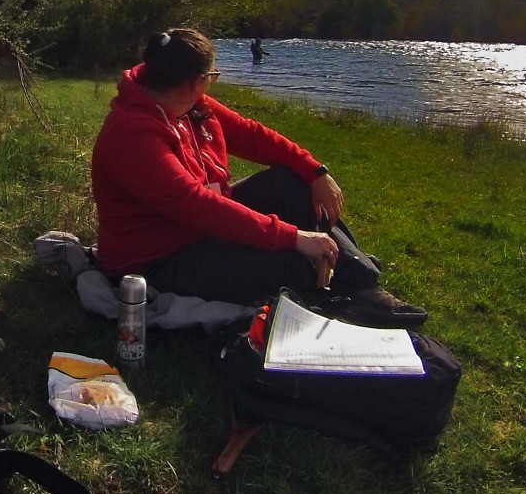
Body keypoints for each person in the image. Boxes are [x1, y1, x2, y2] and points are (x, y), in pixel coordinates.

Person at [91, 28, 426, 326]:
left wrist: (315, 171)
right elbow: (196, 205)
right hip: (159, 260)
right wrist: (295, 237)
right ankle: (344, 277)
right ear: (197, 81)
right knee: (293, 263)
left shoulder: (190, 103)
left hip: (199, 231)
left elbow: (251, 135)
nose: (211, 83)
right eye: (212, 75)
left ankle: (357, 279)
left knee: (290, 181)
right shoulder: (134, 135)